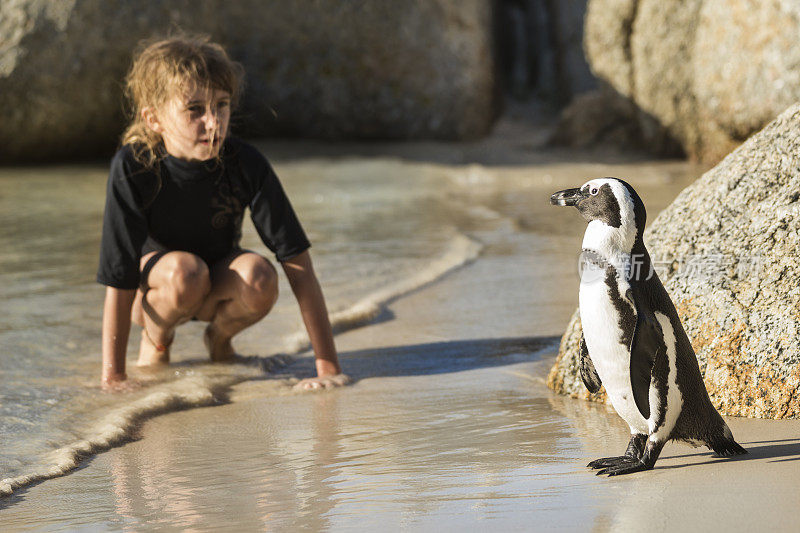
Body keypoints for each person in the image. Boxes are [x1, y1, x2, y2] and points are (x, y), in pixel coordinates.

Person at [97, 36, 348, 392]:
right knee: (186, 272)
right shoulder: (133, 167)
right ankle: (157, 340)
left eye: (222, 105)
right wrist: (113, 376)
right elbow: (118, 275)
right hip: (157, 289)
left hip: (216, 281)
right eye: (194, 109)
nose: (213, 122)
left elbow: (298, 265)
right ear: (154, 119)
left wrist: (327, 367)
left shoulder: (245, 163)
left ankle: (219, 341)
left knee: (260, 276)